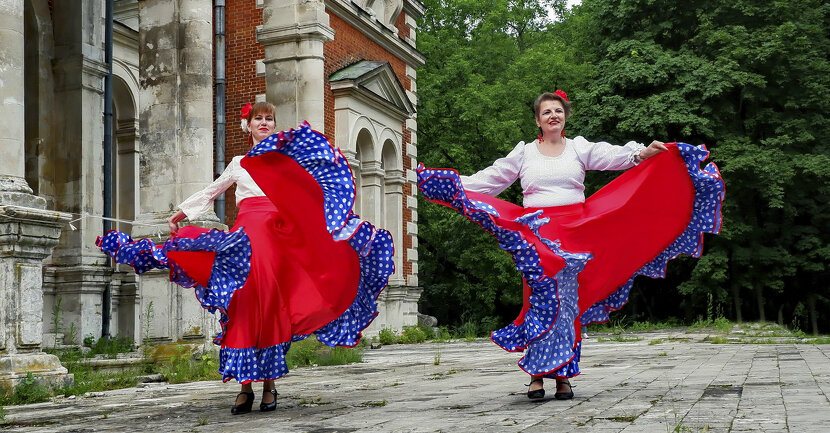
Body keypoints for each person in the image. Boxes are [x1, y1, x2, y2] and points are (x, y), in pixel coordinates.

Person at [418, 90, 724, 402]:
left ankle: (563, 377)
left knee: (567, 306)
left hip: (576, 232)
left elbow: (612, 156)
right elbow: (492, 179)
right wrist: (453, 183)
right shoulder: (524, 153)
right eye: (547, 111)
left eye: (558, 111)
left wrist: (643, 153)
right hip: (537, 235)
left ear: (565, 116)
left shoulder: (577, 147)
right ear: (537, 120)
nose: (553, 115)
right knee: (538, 301)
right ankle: (537, 376)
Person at [98, 102, 394, 415]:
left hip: (277, 235)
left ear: (273, 125)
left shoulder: (283, 160)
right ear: (248, 125)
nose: (264, 123)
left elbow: (308, 191)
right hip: (246, 233)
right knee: (242, 301)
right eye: (258, 119)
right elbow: (213, 190)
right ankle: (244, 387)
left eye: (269, 119)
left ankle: (269, 386)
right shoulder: (240, 162)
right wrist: (182, 213)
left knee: (269, 303)